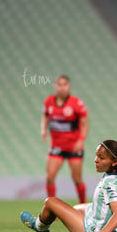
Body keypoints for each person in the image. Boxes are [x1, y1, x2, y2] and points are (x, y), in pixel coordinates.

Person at [20, 140, 117, 232]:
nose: (95, 160)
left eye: (101, 158)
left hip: (93, 231)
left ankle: (39, 227)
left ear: (114, 162)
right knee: (78, 208)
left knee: (50, 202)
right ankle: (115, 230)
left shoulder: (110, 184)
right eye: (96, 155)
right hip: (108, 225)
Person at [41, 75, 89, 203]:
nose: (62, 88)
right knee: (50, 177)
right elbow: (45, 116)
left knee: (77, 179)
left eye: (65, 84)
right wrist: (43, 129)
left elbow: (85, 124)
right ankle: (51, 207)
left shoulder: (76, 103)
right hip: (57, 146)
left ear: (69, 86)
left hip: (74, 147)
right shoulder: (49, 102)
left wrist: (81, 140)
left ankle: (83, 206)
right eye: (59, 85)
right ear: (55, 86)